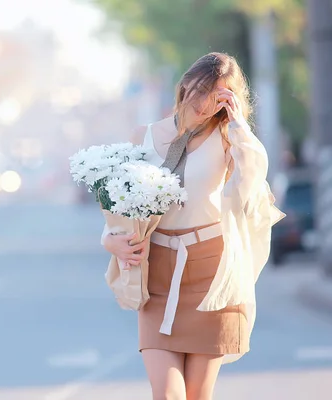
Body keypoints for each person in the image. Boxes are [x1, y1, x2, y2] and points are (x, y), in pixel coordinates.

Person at [101, 52, 284, 400]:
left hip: (210, 273)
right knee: (167, 394)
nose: (204, 104)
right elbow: (118, 204)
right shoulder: (143, 136)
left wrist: (239, 125)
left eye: (218, 97)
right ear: (185, 85)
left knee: (197, 395)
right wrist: (110, 240)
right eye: (201, 91)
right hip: (156, 274)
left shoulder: (230, 141)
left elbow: (252, 187)